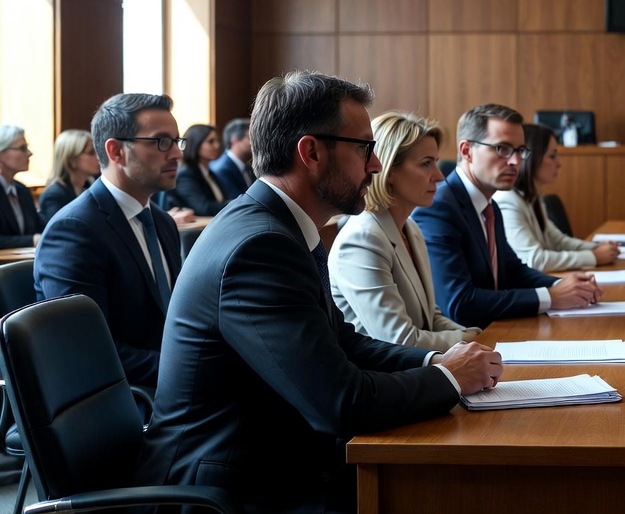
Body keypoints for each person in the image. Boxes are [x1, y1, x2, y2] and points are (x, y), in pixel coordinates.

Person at [136, 71, 503, 513]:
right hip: (231, 490)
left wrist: (436, 361)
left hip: (274, 460)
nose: (374, 165)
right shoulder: (261, 245)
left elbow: (342, 341)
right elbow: (341, 403)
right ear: (310, 152)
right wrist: (450, 378)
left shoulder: (282, 226)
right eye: (364, 148)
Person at [33, 94, 185, 389]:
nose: (177, 154)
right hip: (120, 396)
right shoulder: (75, 230)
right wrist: (188, 370)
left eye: (178, 141)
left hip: (167, 383)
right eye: (161, 142)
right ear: (116, 151)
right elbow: (86, 348)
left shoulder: (162, 221)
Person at [413, 104, 604, 328]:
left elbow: (513, 271)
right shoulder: (438, 208)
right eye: (502, 148)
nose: (515, 162)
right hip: (464, 341)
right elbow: (459, 304)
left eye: (520, 150)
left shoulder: (490, 206)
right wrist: (551, 297)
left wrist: (564, 285)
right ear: (467, 151)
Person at [330, 110, 481, 349]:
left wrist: (473, 336)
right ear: (389, 171)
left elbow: (430, 317)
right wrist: (468, 339)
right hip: (382, 370)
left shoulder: (411, 228)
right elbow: (399, 340)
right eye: (426, 164)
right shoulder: (363, 239)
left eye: (436, 163)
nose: (439, 176)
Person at [493, 122, 619, 272]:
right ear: (532, 158)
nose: (559, 163)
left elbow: (557, 241)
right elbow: (533, 260)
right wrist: (594, 257)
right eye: (552, 156)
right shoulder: (507, 200)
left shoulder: (532, 197)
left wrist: (598, 247)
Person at [38, 128, 101, 221]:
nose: (98, 157)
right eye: (91, 152)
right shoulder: (55, 195)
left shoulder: (90, 187)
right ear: (71, 159)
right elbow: (60, 228)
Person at [167, 123, 229, 216]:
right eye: (211, 141)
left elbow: (221, 200)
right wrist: (235, 204)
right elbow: (204, 208)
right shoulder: (185, 174)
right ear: (196, 143)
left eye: (217, 141)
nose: (217, 145)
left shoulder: (210, 173)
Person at [0, 125, 44, 248]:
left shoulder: (22, 190)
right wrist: (31, 240)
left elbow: (39, 227)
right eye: (22, 148)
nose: (30, 153)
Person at [210, 116, 254, 199]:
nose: (254, 142)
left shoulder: (248, 166)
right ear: (234, 140)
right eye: (250, 138)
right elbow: (235, 201)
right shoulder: (222, 169)